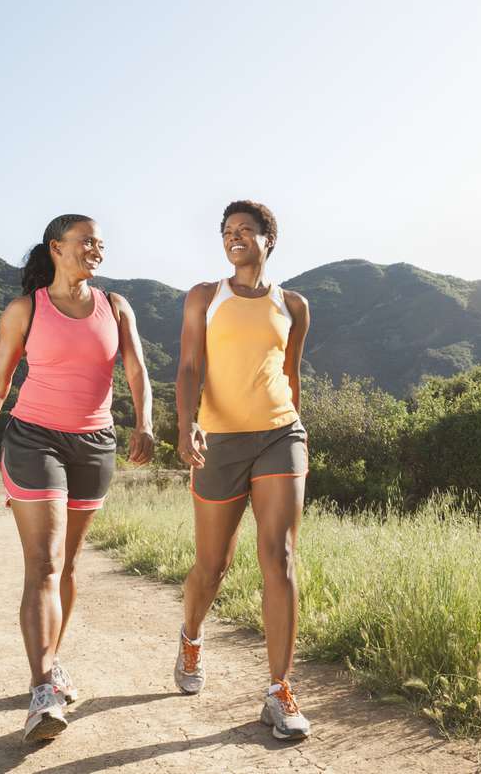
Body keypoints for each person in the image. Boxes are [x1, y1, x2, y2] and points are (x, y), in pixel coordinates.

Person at [0, 214, 155, 742]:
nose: (97, 249)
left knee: (66, 565)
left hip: (94, 443)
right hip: (33, 437)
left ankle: (51, 661)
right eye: (87, 241)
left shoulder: (116, 306)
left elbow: (136, 369)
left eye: (101, 243)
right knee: (43, 562)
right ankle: (43, 689)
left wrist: (146, 423)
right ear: (56, 247)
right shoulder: (26, 310)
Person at [173, 199, 313, 739]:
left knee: (278, 556)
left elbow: (291, 374)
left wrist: (298, 431)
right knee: (212, 566)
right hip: (219, 440)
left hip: (280, 434)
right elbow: (188, 366)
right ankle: (190, 635)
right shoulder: (205, 297)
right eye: (227, 231)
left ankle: (279, 691)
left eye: (245, 231)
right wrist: (186, 426)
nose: (234, 238)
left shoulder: (293, 304)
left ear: (267, 240)